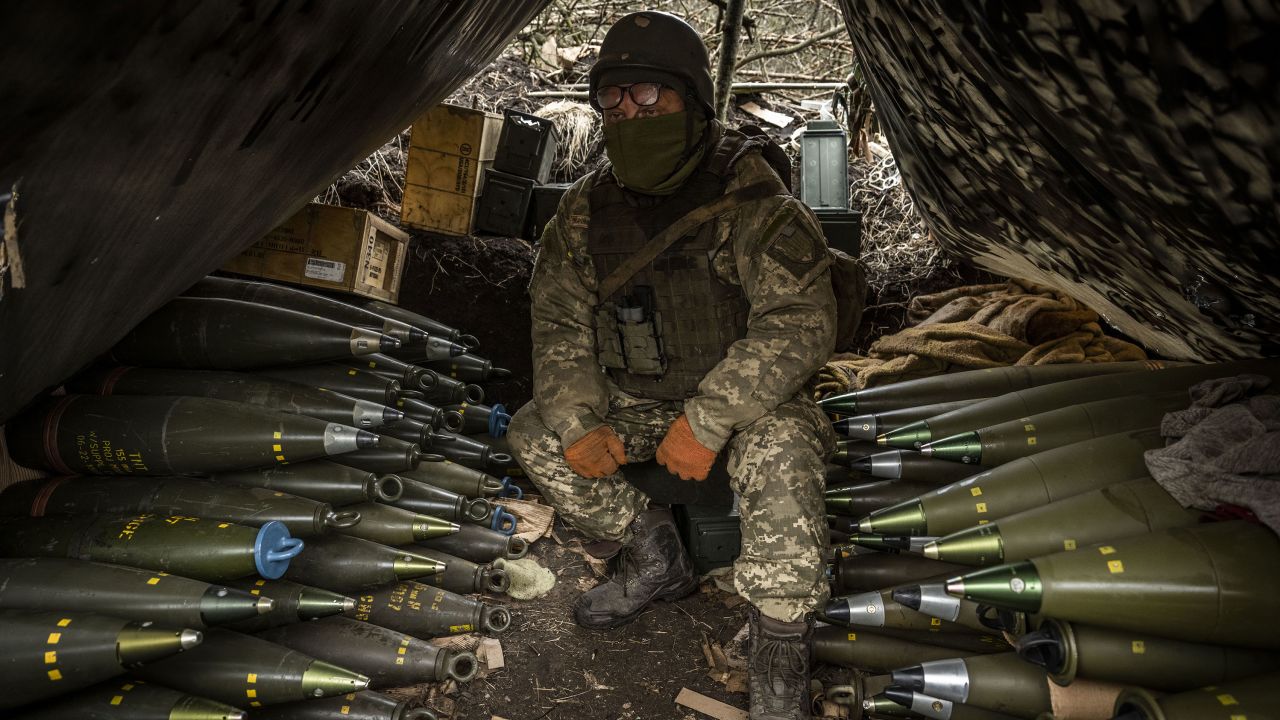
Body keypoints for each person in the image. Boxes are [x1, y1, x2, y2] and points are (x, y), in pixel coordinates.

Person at [506, 10, 837, 720]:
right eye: (614, 98)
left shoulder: (753, 201)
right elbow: (559, 323)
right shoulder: (584, 210)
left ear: (692, 99)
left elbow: (801, 324)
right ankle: (656, 554)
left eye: (649, 96)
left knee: (783, 450)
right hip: (638, 398)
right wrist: (576, 420)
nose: (630, 112)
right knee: (536, 431)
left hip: (746, 409)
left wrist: (709, 420)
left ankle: (780, 638)